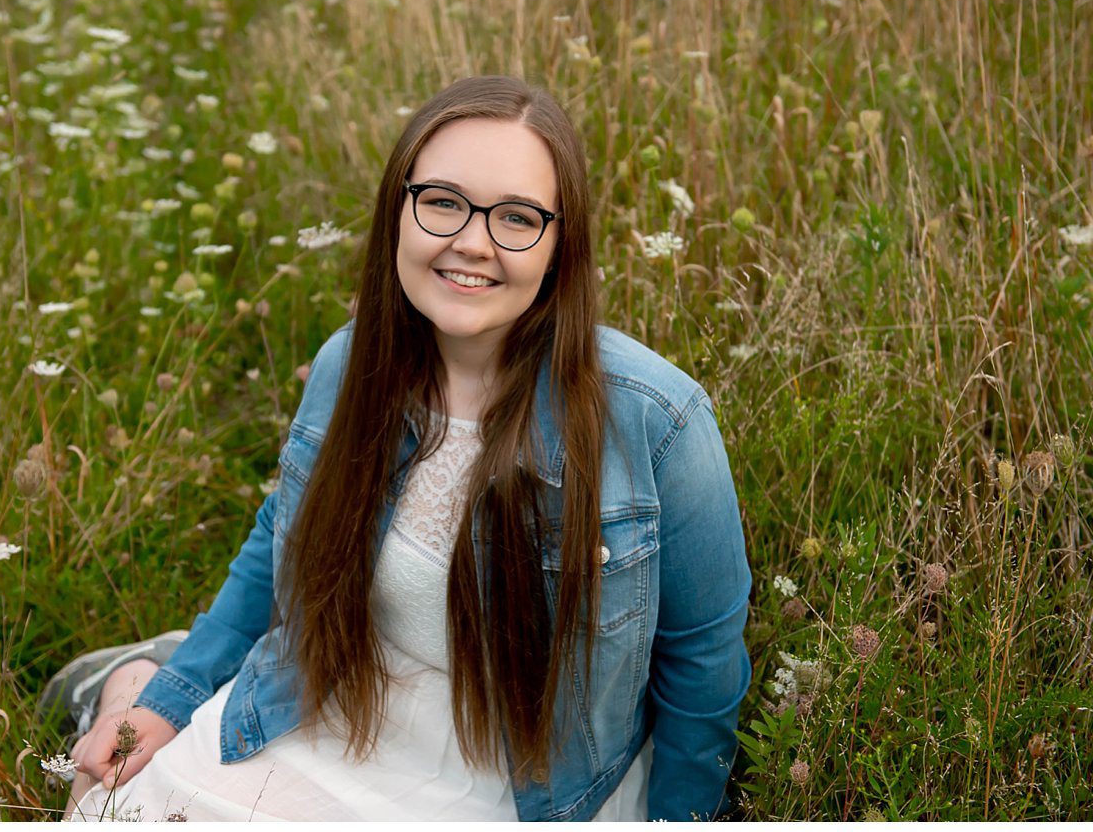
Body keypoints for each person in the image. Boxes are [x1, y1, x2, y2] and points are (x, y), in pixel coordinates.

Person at [53, 77, 751, 822]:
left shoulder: (657, 420)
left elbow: (703, 666)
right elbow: (276, 542)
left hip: (534, 776)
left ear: (558, 246)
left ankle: (127, 669)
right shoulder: (351, 366)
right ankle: (139, 677)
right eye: (444, 200)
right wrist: (172, 699)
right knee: (111, 806)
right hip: (335, 706)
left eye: (516, 216)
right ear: (399, 210)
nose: (472, 241)